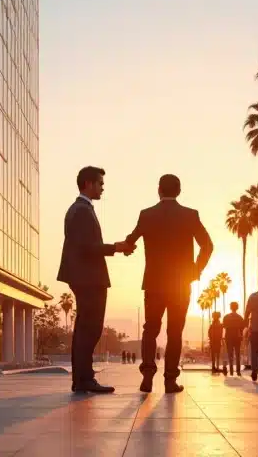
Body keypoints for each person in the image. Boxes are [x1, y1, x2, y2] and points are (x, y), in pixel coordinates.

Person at [124, 174, 214, 394]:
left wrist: (127, 246)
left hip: (154, 283)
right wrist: (195, 270)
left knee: (150, 329)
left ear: (159, 190)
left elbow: (131, 239)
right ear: (179, 191)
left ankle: (147, 374)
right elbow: (208, 246)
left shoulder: (146, 215)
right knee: (175, 332)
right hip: (180, 284)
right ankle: (170, 380)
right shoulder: (190, 215)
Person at [56, 166, 132, 394]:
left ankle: (82, 379)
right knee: (90, 329)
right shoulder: (80, 210)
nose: (102, 188)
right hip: (88, 277)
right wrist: (116, 248)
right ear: (88, 183)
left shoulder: (81, 209)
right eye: (100, 184)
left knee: (86, 329)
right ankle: (84, 379)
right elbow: (87, 248)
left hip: (85, 276)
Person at [222, 303, 244, 376]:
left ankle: (231, 371)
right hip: (237, 337)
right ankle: (238, 371)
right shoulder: (240, 317)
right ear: (237, 307)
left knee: (230, 354)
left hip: (228, 337)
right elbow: (242, 327)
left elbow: (224, 326)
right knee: (237, 354)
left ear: (230, 307)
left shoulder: (226, 317)